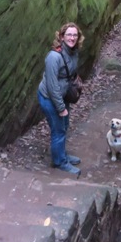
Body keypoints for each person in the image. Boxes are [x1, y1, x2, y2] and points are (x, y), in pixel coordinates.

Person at [37, 21, 84, 176]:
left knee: (64, 126)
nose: (72, 38)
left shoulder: (73, 51)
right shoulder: (53, 57)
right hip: (50, 98)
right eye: (69, 35)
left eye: (75, 35)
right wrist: (61, 108)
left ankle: (62, 155)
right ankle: (60, 162)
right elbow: (52, 86)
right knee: (58, 130)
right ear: (62, 37)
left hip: (62, 96)